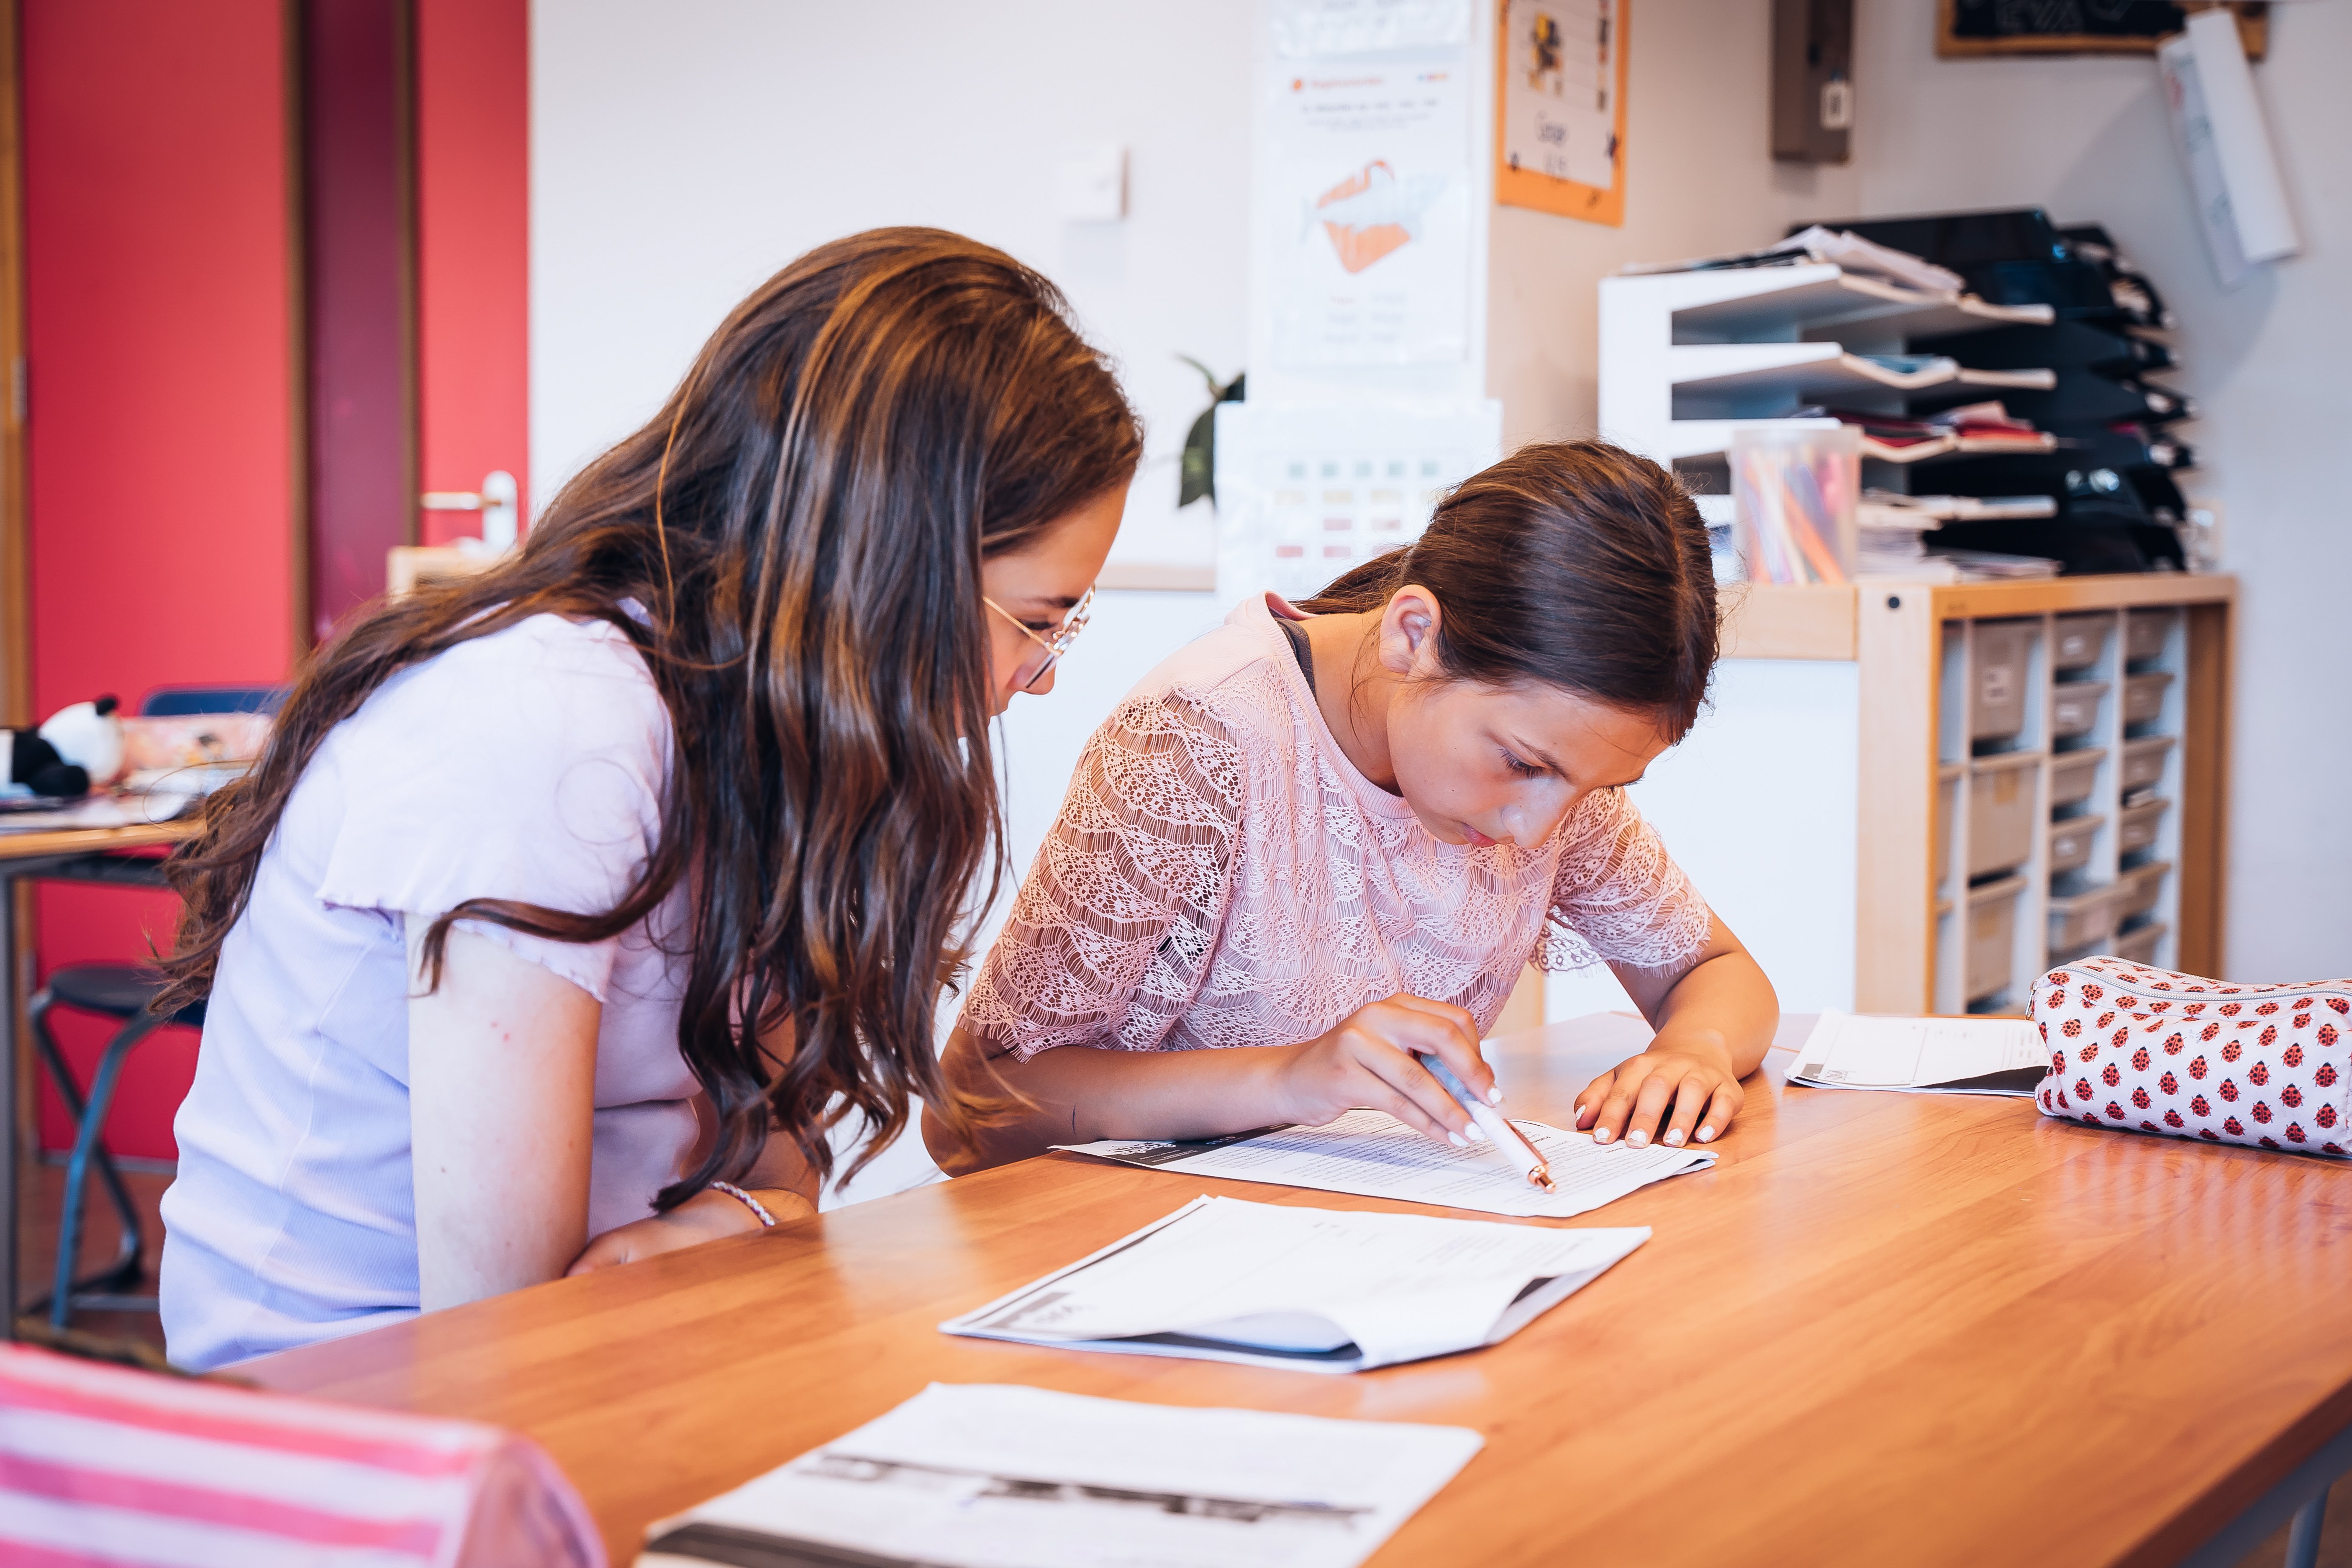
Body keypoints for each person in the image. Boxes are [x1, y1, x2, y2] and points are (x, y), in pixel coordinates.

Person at [153, 229, 1140, 1370]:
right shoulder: (557, 724)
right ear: (883, 561)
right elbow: (502, 1336)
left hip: (618, 1348)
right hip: (357, 1421)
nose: (1047, 670)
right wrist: (736, 1224)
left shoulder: (763, 729)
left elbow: (769, 1149)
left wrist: (744, 1214)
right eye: (1038, 617)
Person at [923, 440, 1777, 1174]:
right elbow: (968, 1108)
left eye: (1591, 790)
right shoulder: (1201, 736)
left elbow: (1714, 973)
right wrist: (1294, 1077)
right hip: (1126, 1258)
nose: (1540, 828)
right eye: (1521, 764)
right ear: (1414, 633)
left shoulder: (1544, 775)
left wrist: (1691, 1049)